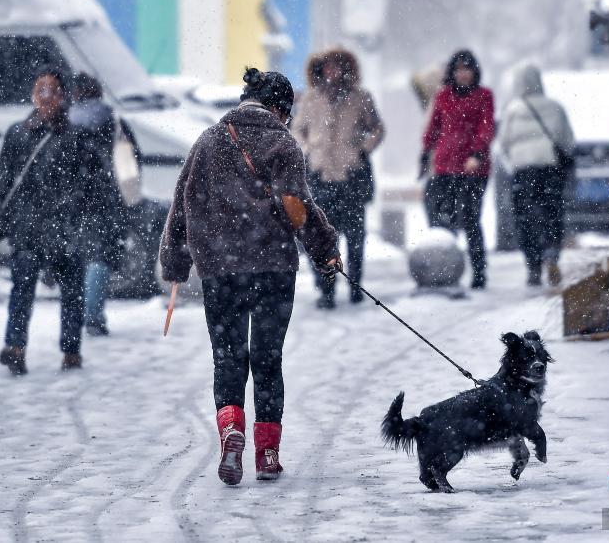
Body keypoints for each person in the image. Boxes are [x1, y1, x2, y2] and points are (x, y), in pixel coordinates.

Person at [159, 68, 340, 485]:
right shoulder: (282, 142)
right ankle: (269, 453)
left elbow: (182, 202)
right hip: (273, 267)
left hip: (221, 270)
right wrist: (325, 248)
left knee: (228, 358)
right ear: (279, 108)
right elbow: (297, 204)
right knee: (267, 359)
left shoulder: (207, 141)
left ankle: (231, 431)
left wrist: (175, 263)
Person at [0, 67, 119, 375]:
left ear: (64, 97)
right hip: (28, 229)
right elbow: (4, 179)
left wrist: (74, 209)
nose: (46, 97)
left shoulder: (77, 137)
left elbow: (93, 182)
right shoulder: (18, 133)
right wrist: (20, 215)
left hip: (66, 229)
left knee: (72, 292)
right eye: (41, 90)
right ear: (33, 95)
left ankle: (71, 350)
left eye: (52, 91)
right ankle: (14, 347)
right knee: (21, 289)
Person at [292, 48, 384, 308]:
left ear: (347, 69)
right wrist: (308, 150)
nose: (332, 72)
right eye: (327, 67)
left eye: (337, 66)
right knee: (320, 238)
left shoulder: (360, 98)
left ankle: (355, 284)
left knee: (355, 237)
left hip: (351, 176)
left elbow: (376, 128)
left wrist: (362, 148)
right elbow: (298, 129)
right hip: (320, 176)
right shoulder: (311, 99)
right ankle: (327, 289)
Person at [419, 50, 495, 289]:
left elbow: (486, 128)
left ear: (475, 71)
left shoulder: (484, 96)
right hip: (445, 165)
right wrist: (424, 152)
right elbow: (433, 128)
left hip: (473, 168)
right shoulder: (443, 97)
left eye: (467, 69)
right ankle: (443, 270)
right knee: (442, 220)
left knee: (471, 220)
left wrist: (477, 154)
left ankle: (479, 271)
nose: (463, 74)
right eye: (458, 69)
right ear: (452, 72)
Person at [496, 63, 575, 286]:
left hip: (523, 173)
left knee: (525, 219)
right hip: (549, 170)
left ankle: (532, 265)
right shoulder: (555, 107)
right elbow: (567, 141)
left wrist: (515, 163)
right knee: (552, 214)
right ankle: (551, 253)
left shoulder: (512, 110)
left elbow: (503, 143)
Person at [68, 72, 135, 337]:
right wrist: (131, 197)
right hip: (106, 197)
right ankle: (93, 315)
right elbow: (127, 162)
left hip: (72, 199)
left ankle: (74, 315)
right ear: (98, 93)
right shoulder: (113, 121)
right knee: (101, 255)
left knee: (74, 257)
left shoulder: (66, 121)